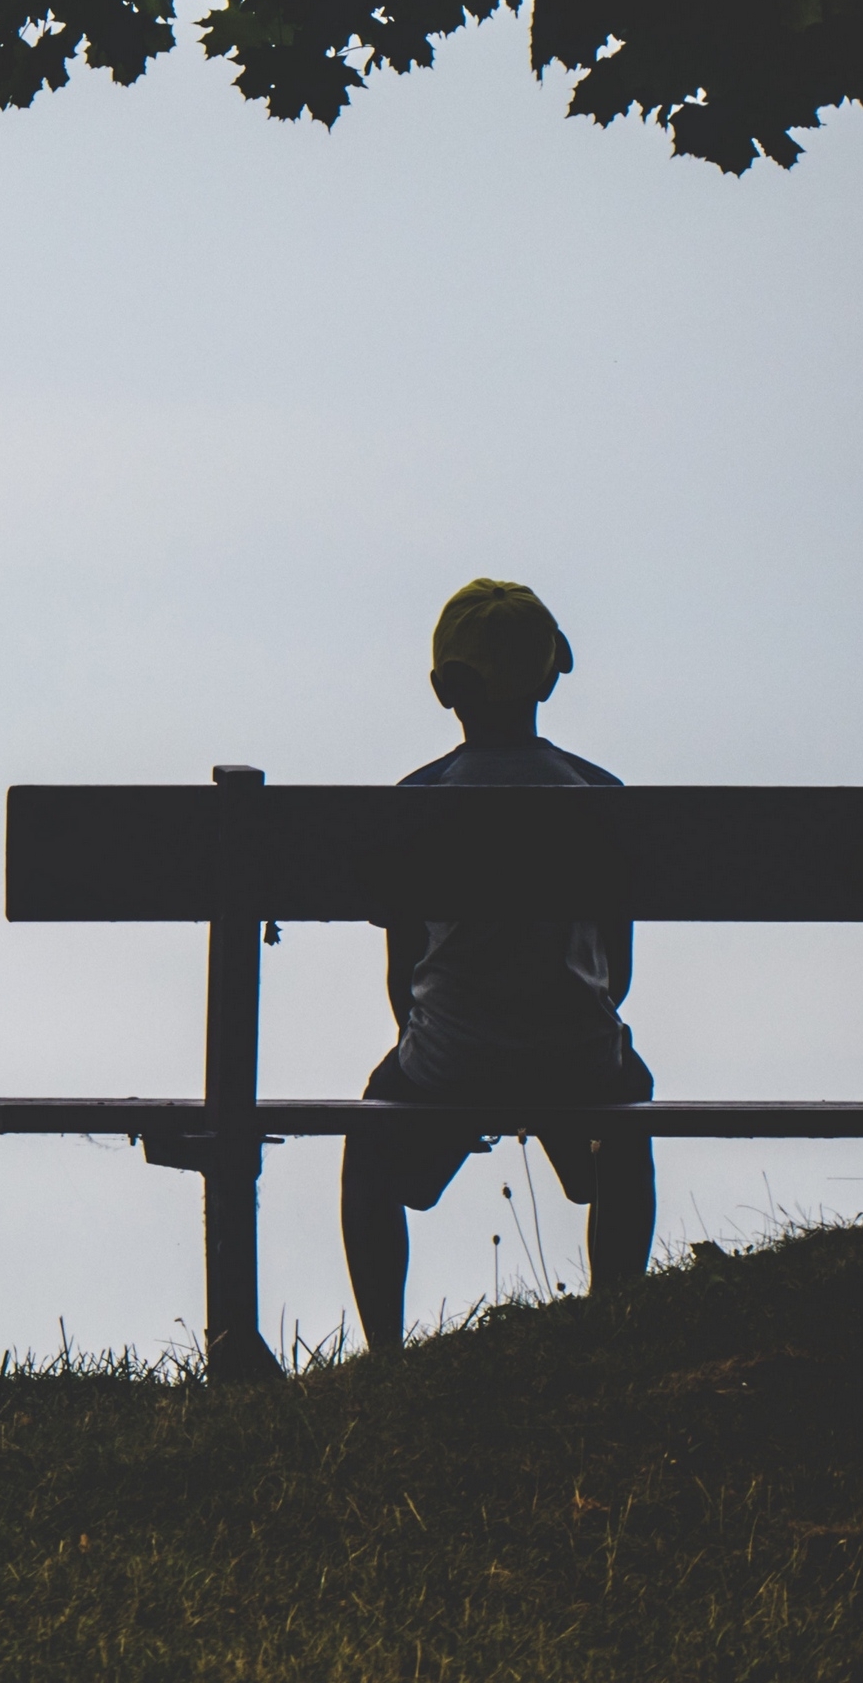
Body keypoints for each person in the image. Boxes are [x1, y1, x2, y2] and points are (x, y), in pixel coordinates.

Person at [342, 578, 659, 1353]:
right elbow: (616, 975)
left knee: (370, 1154)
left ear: (445, 688)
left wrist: (450, 1054)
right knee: (627, 1106)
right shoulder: (599, 797)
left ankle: (386, 1353)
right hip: (578, 1059)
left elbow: (401, 976)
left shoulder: (417, 804)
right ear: (551, 678)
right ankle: (615, 1317)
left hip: (451, 1058)